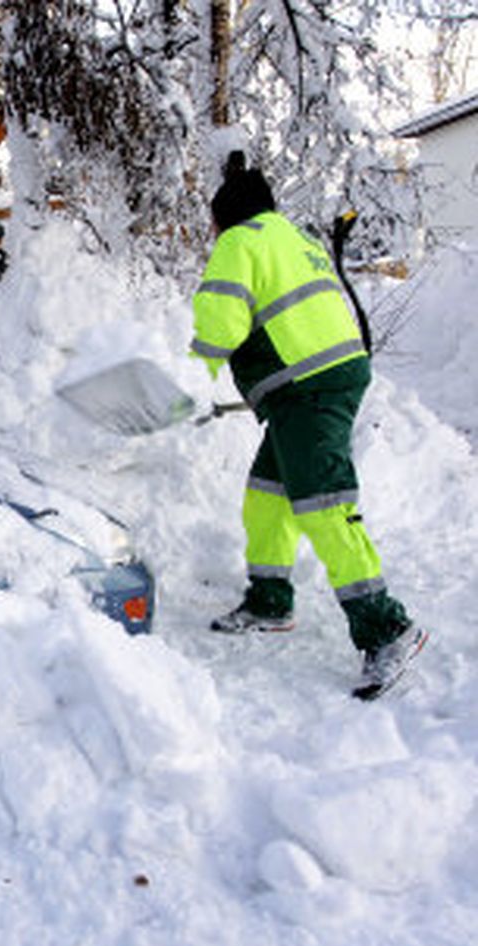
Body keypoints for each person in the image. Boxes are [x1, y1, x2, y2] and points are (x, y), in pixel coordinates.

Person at [189, 152, 426, 700]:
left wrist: (191, 374)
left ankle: (386, 626)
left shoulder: (240, 242)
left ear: (226, 216)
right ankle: (270, 601)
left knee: (324, 504)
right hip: (320, 380)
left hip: (309, 387)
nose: (211, 233)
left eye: (212, 223)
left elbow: (221, 320)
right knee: (268, 495)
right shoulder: (294, 239)